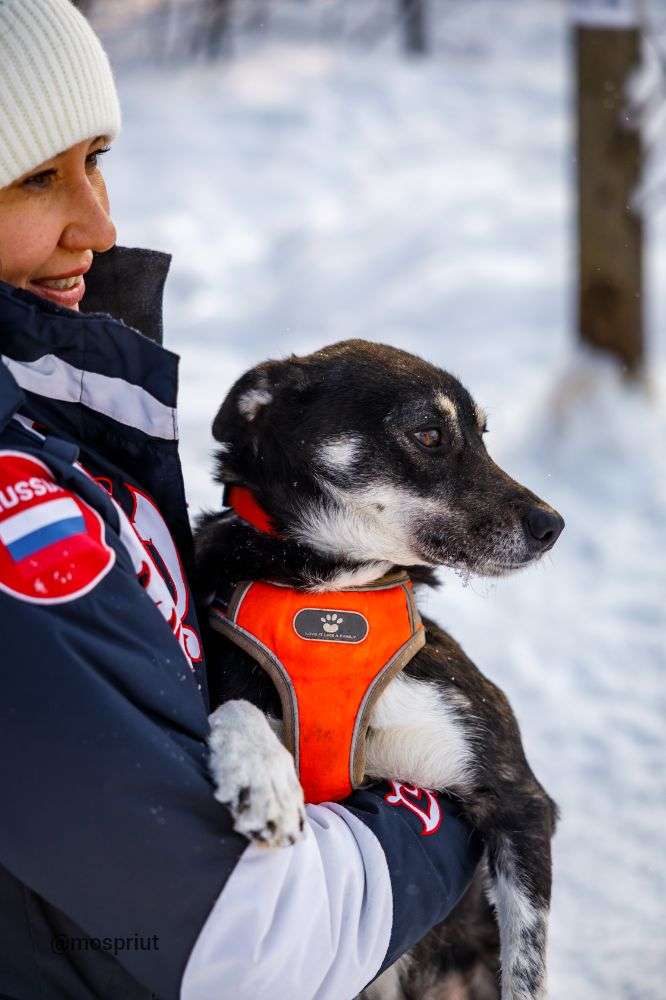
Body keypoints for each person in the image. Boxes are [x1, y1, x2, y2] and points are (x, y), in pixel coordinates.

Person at [0, 2, 482, 998]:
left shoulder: (54, 407)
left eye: (97, 160)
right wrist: (455, 807)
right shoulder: (17, 501)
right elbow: (249, 944)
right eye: (36, 178)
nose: (100, 225)